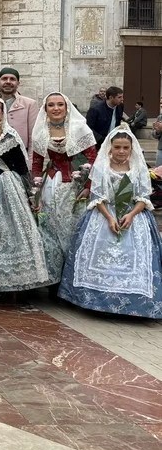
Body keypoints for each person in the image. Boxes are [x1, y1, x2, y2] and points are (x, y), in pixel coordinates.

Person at [58, 126, 162, 318]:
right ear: (110, 148)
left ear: (131, 149)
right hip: (104, 215)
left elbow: (143, 198)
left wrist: (131, 215)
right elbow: (98, 198)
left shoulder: (138, 169)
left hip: (133, 216)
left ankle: (133, 304)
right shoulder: (102, 168)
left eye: (125, 148)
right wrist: (109, 217)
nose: (121, 151)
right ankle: (95, 301)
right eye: (117, 147)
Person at [0, 97, 56, 292]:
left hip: (7, 190)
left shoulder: (10, 136)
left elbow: (23, 168)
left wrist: (32, 195)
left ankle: (15, 283)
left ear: (2, 113)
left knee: (11, 233)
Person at [30, 93, 98, 279]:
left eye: (60, 104)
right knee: (51, 228)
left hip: (76, 186)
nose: (56, 108)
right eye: (51, 105)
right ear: (45, 109)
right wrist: (35, 192)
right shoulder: (41, 131)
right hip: (51, 184)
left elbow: (93, 159)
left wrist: (88, 186)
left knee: (73, 227)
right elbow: (36, 164)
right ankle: (54, 277)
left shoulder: (79, 129)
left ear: (67, 107)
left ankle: (73, 277)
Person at [0, 67, 38, 152]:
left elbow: (33, 138)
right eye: (4, 79)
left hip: (21, 153)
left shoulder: (30, 104)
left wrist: (30, 163)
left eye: (12, 79)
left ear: (18, 83)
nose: (8, 82)